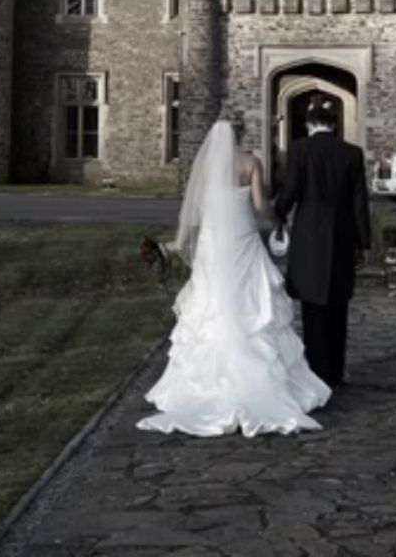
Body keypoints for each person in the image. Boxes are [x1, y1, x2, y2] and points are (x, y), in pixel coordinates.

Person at [137, 119, 330, 437]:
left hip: (214, 245)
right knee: (252, 304)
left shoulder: (205, 169)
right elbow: (259, 205)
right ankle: (263, 384)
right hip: (243, 241)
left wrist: (176, 244)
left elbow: (196, 211)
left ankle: (204, 386)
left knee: (210, 302)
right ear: (240, 136)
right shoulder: (250, 163)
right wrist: (278, 220)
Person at [274, 97, 372, 389]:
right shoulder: (352, 153)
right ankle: (336, 371)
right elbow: (359, 202)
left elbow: (291, 189)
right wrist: (363, 243)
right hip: (342, 235)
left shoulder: (301, 149)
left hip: (309, 235)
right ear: (333, 124)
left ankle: (317, 371)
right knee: (338, 307)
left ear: (309, 124)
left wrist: (277, 214)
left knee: (313, 306)